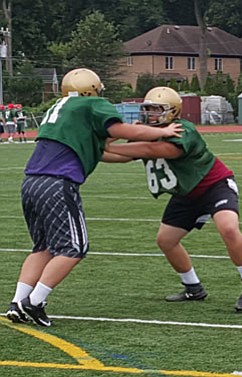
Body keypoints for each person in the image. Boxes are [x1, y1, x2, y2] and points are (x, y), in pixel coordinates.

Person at [5, 68, 183, 327]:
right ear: (93, 88)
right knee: (74, 248)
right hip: (57, 182)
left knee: (42, 247)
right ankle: (33, 302)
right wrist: (161, 133)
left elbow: (100, 146)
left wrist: (128, 144)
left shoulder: (60, 108)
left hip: (31, 181)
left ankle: (17, 302)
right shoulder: (91, 103)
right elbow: (118, 129)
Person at [104, 87, 242, 312]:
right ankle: (193, 287)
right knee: (166, 240)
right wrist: (91, 151)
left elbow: (157, 149)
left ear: (172, 111)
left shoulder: (182, 129)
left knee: (228, 228)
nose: (150, 114)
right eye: (148, 109)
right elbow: (121, 155)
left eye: (156, 109)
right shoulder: (148, 132)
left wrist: (115, 139)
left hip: (213, 186)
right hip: (185, 194)